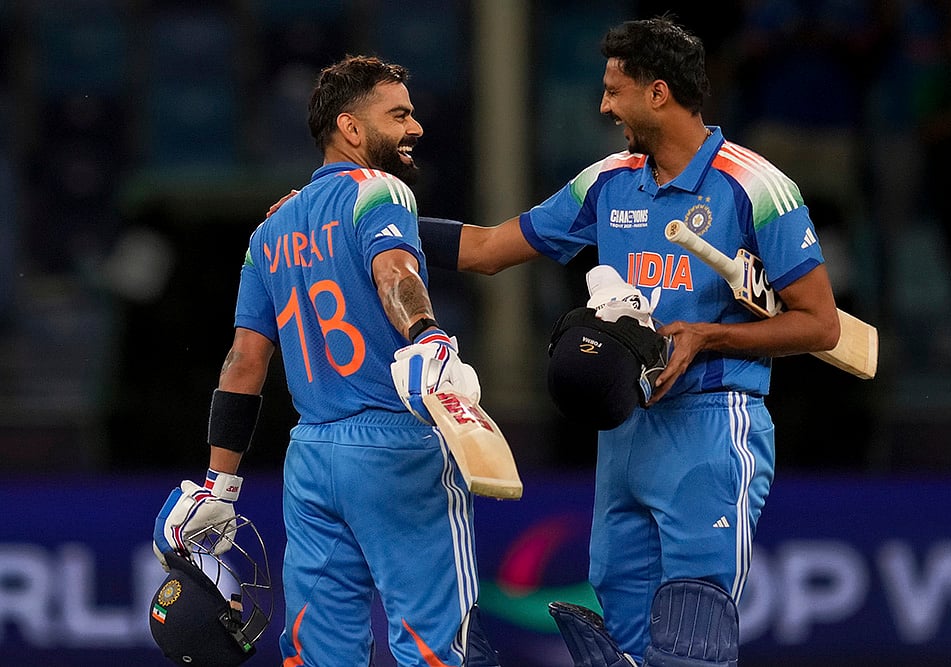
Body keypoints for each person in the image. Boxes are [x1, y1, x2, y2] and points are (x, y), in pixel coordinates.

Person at [419, 15, 842, 666]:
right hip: (624, 429)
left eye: (614, 90)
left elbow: (821, 324)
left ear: (658, 93)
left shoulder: (758, 188)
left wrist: (707, 336)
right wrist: (379, 224)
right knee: (620, 648)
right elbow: (487, 248)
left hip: (711, 425)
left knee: (692, 640)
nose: (603, 105)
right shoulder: (608, 180)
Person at [152, 55, 501, 667]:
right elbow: (395, 271)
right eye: (399, 115)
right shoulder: (381, 190)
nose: (415, 127)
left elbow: (243, 362)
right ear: (351, 127)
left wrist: (219, 483)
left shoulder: (269, 232)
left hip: (312, 457)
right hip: (397, 444)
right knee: (436, 649)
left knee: (321, 654)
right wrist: (427, 336)